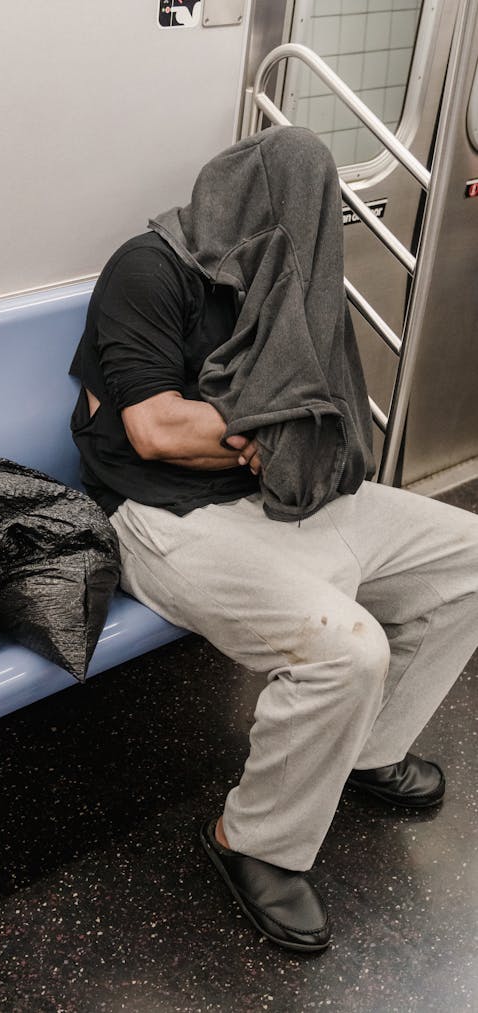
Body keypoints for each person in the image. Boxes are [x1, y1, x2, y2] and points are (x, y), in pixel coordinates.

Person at [69, 126, 478, 953]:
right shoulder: (148, 270)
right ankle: (251, 841)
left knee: (468, 555)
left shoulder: (282, 286)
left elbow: (312, 412)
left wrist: (269, 430)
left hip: (275, 493)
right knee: (348, 648)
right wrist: (270, 422)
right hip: (160, 514)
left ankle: (368, 749)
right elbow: (154, 429)